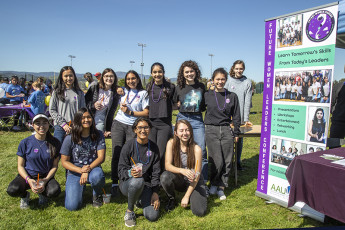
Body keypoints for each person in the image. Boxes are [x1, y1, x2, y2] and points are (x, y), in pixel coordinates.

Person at [6, 114, 61, 209]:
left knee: (54, 191)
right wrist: (29, 180)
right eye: (38, 123)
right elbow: (20, 166)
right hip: (27, 176)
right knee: (13, 190)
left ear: (49, 124)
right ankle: (24, 195)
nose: (41, 126)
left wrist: (46, 180)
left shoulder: (55, 143)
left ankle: (43, 193)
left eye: (44, 123)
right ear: (33, 125)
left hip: (44, 177)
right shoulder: (25, 142)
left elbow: (55, 166)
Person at [111, 70, 149, 197]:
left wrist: (131, 113)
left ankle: (128, 179)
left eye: (133, 78)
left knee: (129, 154)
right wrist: (117, 88)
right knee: (116, 152)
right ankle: (114, 182)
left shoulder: (143, 93)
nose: (131, 81)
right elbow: (110, 86)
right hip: (119, 124)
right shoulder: (123, 91)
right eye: (128, 79)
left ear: (138, 80)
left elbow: (146, 112)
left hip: (133, 126)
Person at [204, 68, 241, 200]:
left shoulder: (232, 96)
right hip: (211, 130)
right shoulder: (207, 95)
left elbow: (236, 116)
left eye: (222, 79)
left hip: (226, 129)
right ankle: (213, 183)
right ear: (213, 80)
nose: (220, 82)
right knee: (216, 160)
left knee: (227, 160)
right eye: (217, 79)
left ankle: (221, 187)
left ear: (226, 80)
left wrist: (236, 132)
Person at [60, 108, 106, 211]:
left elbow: (101, 157)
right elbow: (64, 162)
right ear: (77, 120)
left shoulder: (98, 135)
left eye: (89, 117)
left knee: (97, 176)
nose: (86, 120)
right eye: (83, 118)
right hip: (75, 171)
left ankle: (96, 194)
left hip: (93, 168)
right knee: (72, 206)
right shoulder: (70, 138)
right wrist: (81, 170)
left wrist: (87, 169)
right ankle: (79, 189)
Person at [118, 117, 160, 227]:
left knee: (152, 216)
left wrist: (155, 192)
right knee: (138, 181)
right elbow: (120, 170)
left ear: (150, 129)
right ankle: (129, 211)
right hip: (128, 184)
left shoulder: (154, 147)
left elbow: (156, 172)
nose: (143, 130)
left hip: (146, 186)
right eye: (140, 127)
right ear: (135, 130)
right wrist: (129, 173)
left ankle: (139, 200)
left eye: (146, 127)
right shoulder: (128, 146)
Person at [161, 119, 207, 216]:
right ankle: (171, 198)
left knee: (199, 211)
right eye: (181, 130)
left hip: (194, 181)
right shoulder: (171, 143)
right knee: (165, 177)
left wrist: (186, 196)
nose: (185, 133)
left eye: (187, 130)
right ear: (176, 133)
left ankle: (191, 194)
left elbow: (197, 175)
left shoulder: (197, 149)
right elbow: (167, 165)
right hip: (179, 179)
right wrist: (182, 170)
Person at [173, 60, 208, 182]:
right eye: (186, 72)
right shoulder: (179, 87)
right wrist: (177, 105)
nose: (189, 74)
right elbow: (173, 103)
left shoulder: (201, 87)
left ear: (196, 72)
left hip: (197, 120)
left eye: (191, 71)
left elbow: (204, 105)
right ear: (182, 74)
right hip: (182, 118)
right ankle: (183, 178)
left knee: (201, 150)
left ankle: (201, 182)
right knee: (182, 149)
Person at [146, 62, 175, 169]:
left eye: (159, 72)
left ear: (163, 73)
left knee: (161, 152)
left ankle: (160, 176)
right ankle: (151, 177)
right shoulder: (149, 86)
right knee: (151, 151)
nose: (157, 74)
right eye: (154, 72)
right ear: (151, 73)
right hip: (151, 124)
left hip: (164, 125)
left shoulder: (171, 87)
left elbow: (175, 103)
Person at [224, 60, 252, 170]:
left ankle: (238, 161)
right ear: (233, 68)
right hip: (228, 117)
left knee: (239, 140)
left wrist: (245, 119)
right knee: (228, 140)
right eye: (237, 68)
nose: (239, 70)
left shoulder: (247, 82)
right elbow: (224, 98)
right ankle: (228, 162)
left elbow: (247, 101)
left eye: (241, 68)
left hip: (240, 117)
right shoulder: (228, 81)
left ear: (243, 69)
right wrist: (226, 115)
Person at [49, 66, 86, 144]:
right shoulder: (57, 92)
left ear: (74, 77)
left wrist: (77, 124)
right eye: (66, 76)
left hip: (75, 126)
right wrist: (63, 124)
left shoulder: (79, 93)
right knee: (57, 149)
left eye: (71, 75)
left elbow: (83, 110)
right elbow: (52, 110)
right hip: (60, 126)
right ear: (62, 77)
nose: (69, 78)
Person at [85, 68, 119, 137]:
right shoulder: (94, 88)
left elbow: (111, 112)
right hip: (88, 119)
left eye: (111, 76)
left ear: (114, 78)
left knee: (97, 139)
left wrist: (108, 128)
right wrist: (93, 105)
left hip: (100, 122)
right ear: (102, 77)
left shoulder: (115, 92)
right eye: (106, 76)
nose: (109, 78)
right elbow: (84, 102)